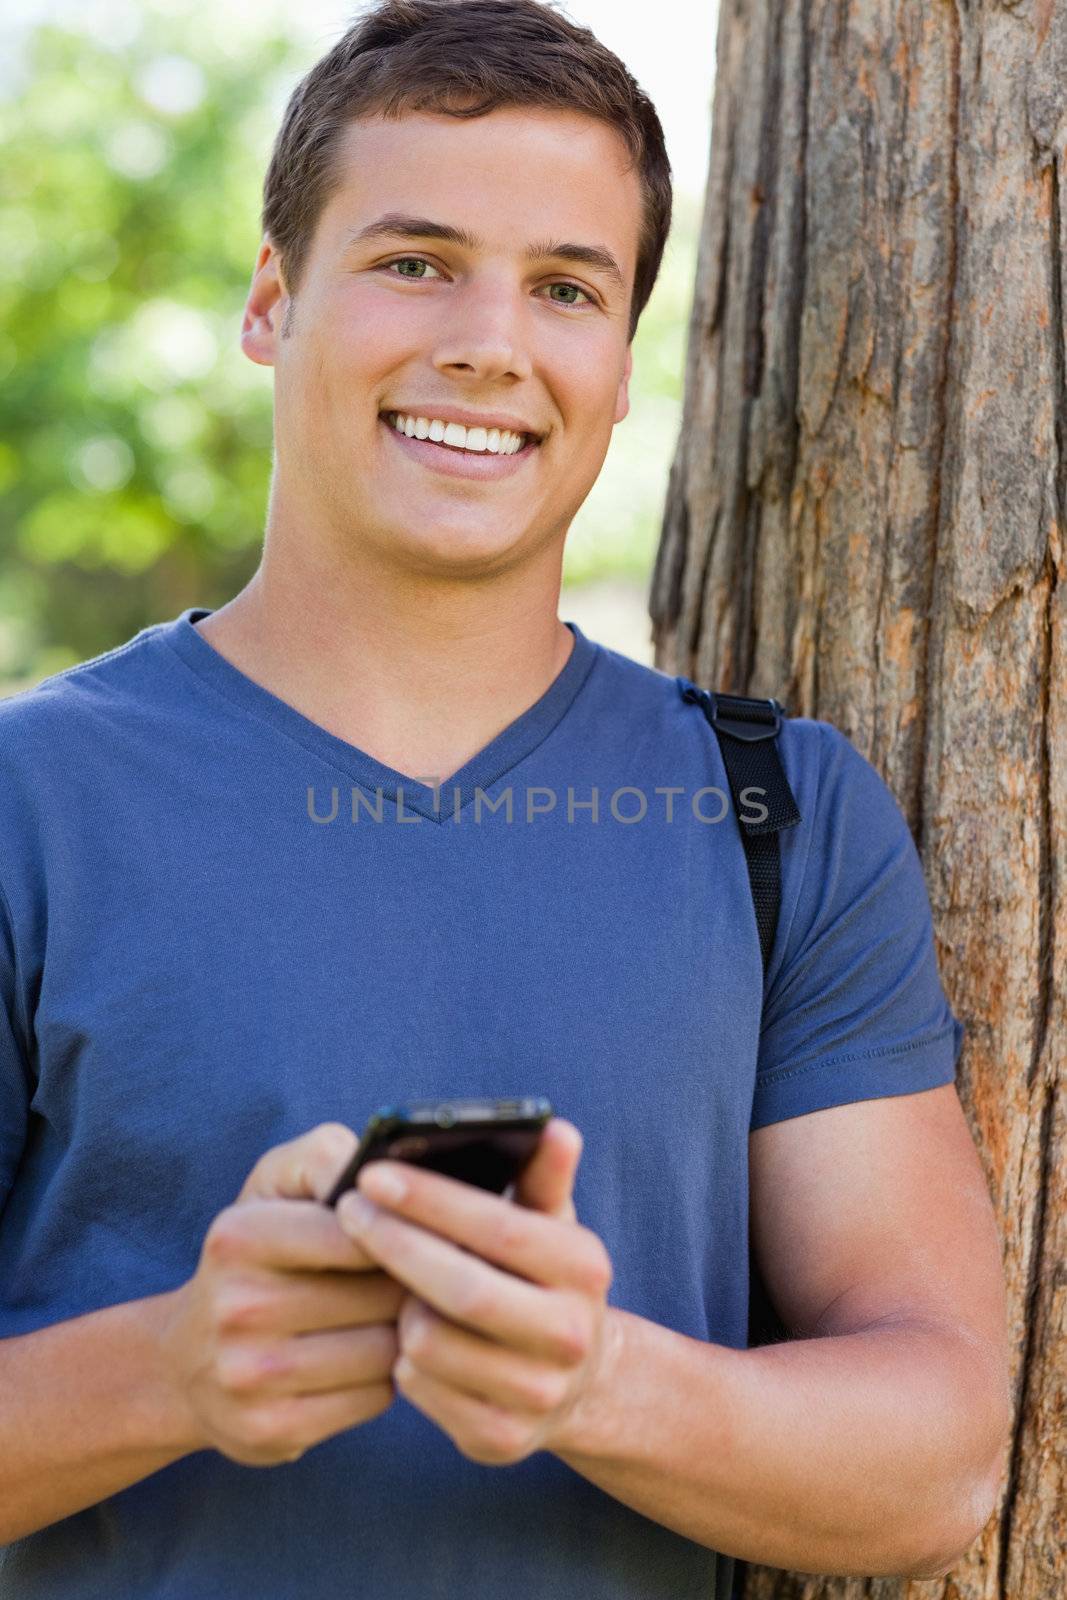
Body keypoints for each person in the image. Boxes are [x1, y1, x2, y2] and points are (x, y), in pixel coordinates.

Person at [0, 1, 1012, 1596]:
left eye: (565, 288)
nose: (489, 340)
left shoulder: (782, 817)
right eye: (414, 261)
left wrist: (599, 1380)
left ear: (619, 365)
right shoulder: (27, 803)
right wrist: (174, 1370)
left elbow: (940, 1458)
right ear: (274, 302)